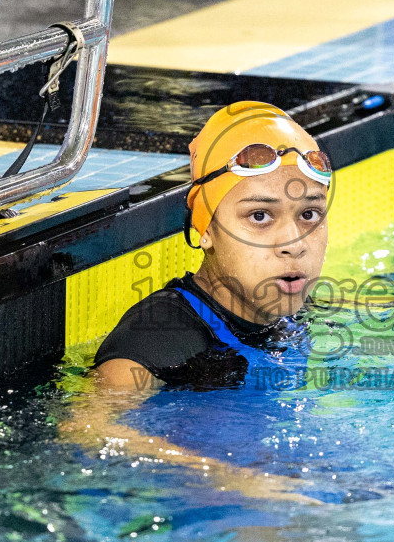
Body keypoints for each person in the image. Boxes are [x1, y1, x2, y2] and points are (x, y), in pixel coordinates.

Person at [95, 101, 331, 392]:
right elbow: (84, 429)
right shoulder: (157, 341)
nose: (294, 244)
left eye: (309, 215)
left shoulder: (294, 309)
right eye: (259, 216)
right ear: (204, 228)